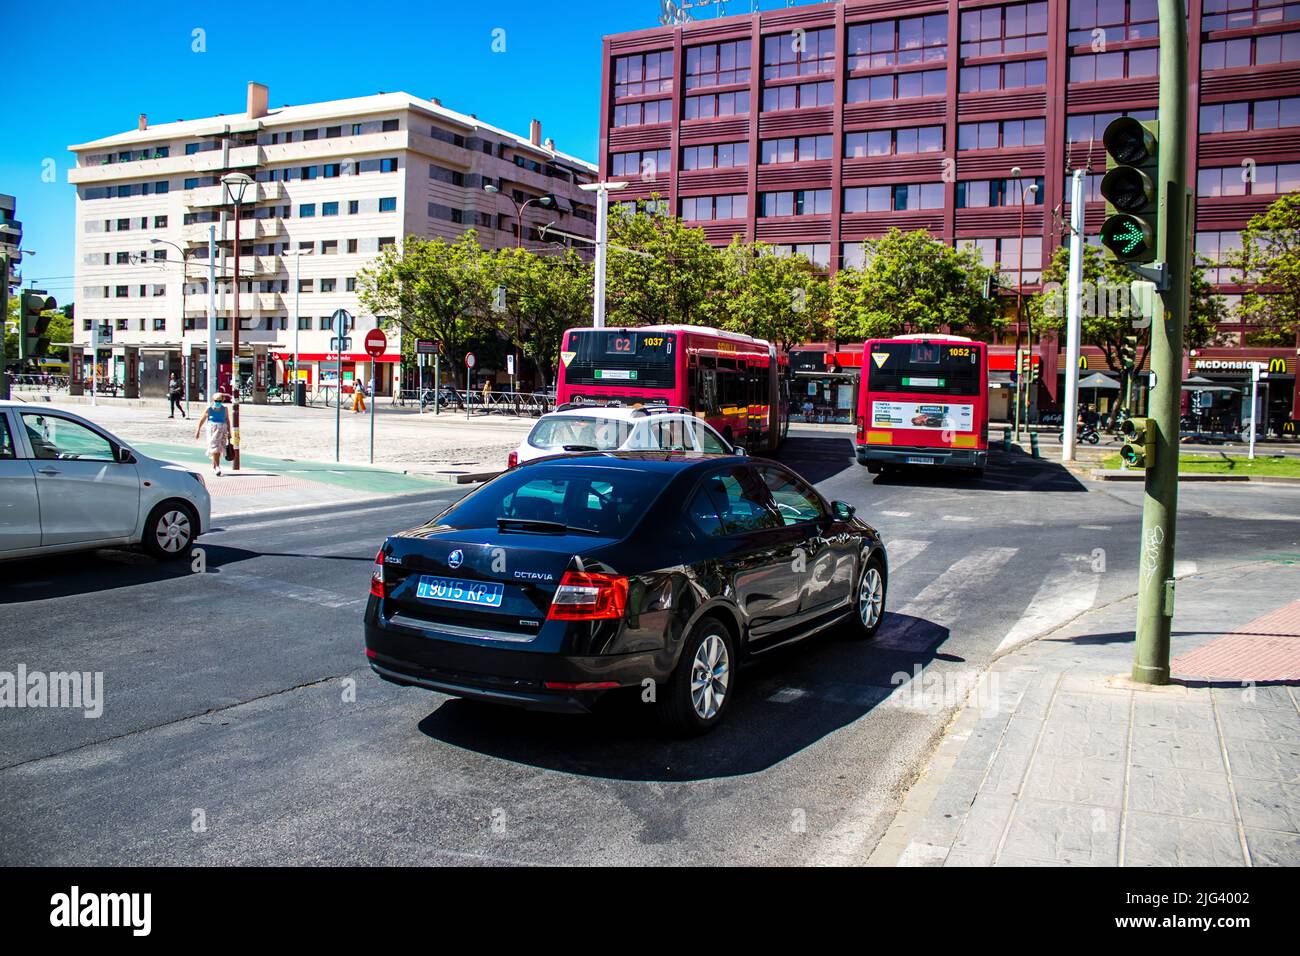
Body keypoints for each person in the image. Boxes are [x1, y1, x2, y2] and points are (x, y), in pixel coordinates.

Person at [194, 393, 230, 476]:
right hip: (212, 429)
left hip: (222, 429)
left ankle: (214, 466)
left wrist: (229, 432)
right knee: (215, 447)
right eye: (216, 401)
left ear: (222, 400)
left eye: (219, 401)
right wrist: (198, 430)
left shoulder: (225, 409)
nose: (218, 402)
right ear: (213, 400)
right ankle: (217, 467)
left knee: (219, 448)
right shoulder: (209, 408)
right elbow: (202, 419)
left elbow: (227, 420)